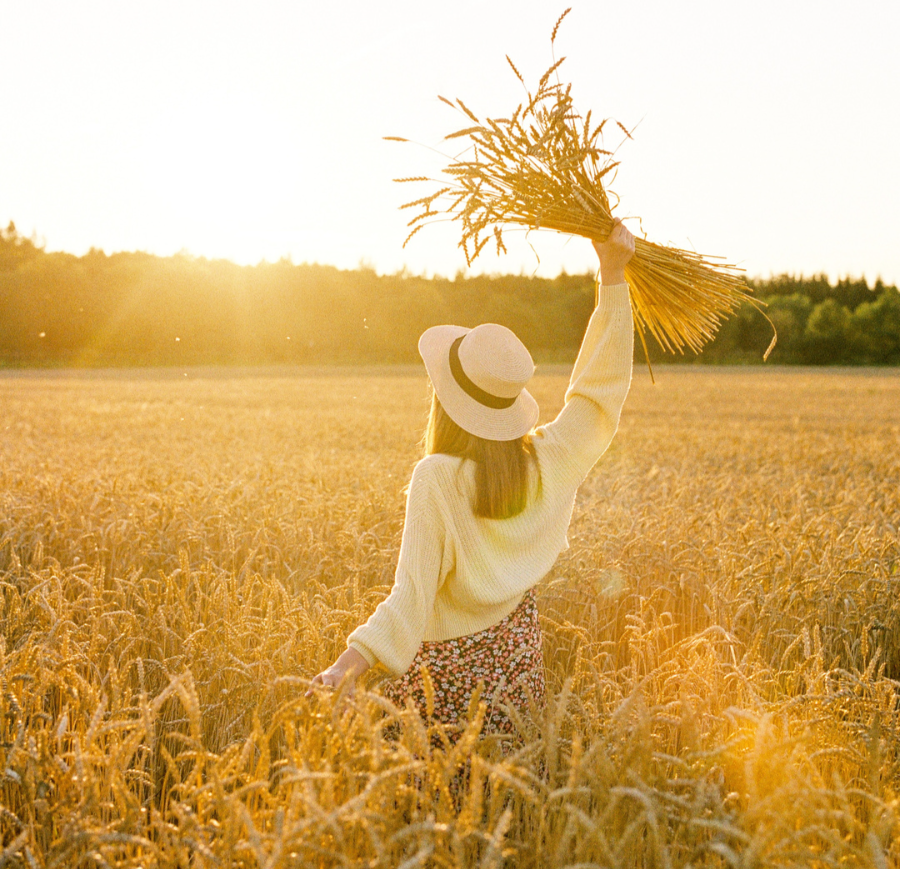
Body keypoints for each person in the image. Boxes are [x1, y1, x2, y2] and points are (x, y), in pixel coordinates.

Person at [309, 221, 636, 738]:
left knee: (434, 807)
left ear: (446, 397)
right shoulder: (550, 458)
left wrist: (347, 665)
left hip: (442, 686)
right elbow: (599, 397)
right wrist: (612, 276)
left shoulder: (437, 479)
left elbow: (411, 596)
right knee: (508, 807)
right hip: (517, 672)